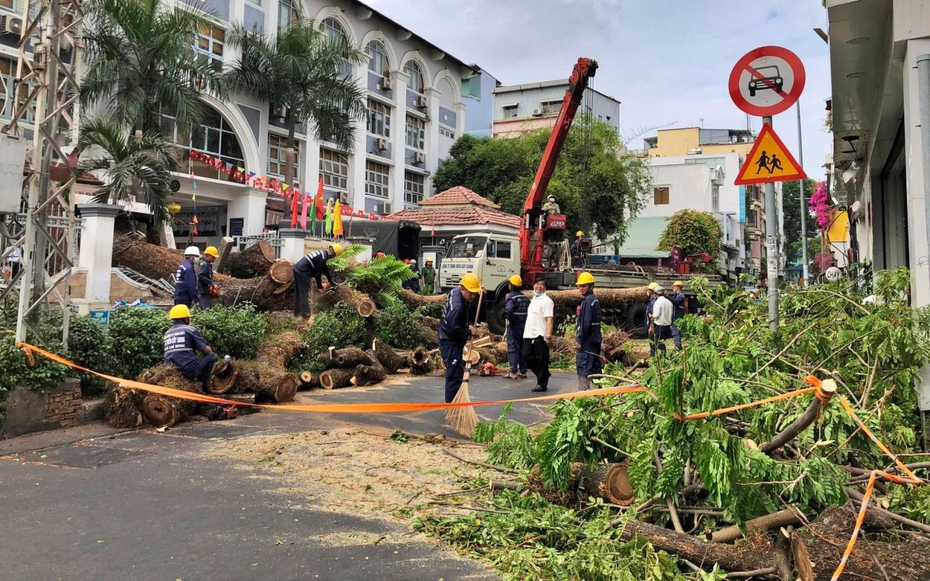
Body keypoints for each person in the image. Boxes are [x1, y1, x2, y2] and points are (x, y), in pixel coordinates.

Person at [438, 273, 481, 403]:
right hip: (449, 340)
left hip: (447, 334)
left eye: (475, 293)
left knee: (457, 372)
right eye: (470, 293)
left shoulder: (455, 292)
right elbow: (453, 330)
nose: (473, 296)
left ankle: (456, 402)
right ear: (462, 289)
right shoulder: (457, 307)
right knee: (454, 375)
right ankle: (451, 406)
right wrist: (469, 331)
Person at [163, 304, 216, 392]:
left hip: (170, 372)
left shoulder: (167, 333)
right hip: (188, 371)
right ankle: (203, 385)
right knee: (211, 356)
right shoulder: (189, 330)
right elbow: (206, 350)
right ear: (185, 318)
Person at [293, 244, 343, 318]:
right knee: (304, 292)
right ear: (334, 254)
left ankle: (297, 312)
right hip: (303, 271)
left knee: (298, 291)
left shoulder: (323, 254)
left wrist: (332, 283)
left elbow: (325, 270)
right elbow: (317, 273)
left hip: (297, 268)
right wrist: (320, 286)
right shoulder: (323, 258)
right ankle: (305, 314)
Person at [523, 278, 554, 392]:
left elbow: (549, 319)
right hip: (528, 334)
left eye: (542, 285)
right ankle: (544, 374)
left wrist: (548, 336)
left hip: (540, 336)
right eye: (537, 284)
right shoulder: (534, 299)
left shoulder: (546, 301)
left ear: (545, 288)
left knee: (542, 360)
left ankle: (542, 383)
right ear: (533, 285)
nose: (539, 286)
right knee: (526, 357)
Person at [575, 272, 602, 390]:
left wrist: (579, 339)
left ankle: (584, 394)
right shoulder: (594, 300)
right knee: (595, 368)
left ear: (591, 286)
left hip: (587, 341)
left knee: (584, 367)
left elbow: (585, 324)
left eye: (584, 286)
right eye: (580, 286)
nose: (581, 288)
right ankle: (600, 393)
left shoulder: (587, 301)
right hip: (595, 339)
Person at [503, 274, 529, 380]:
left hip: (515, 327)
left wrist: (510, 320)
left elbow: (509, 310)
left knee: (513, 348)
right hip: (525, 327)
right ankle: (523, 371)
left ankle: (513, 371)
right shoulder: (525, 297)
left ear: (511, 286)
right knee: (523, 348)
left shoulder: (511, 297)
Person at [650, 286, 673, 357]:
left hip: (660, 326)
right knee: (661, 342)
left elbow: (656, 315)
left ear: (656, 293)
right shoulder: (669, 302)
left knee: (659, 343)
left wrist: (651, 315)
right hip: (668, 326)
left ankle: (661, 358)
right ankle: (662, 357)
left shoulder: (658, 302)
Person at [197, 246, 219, 310]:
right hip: (203, 292)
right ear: (208, 255)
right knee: (206, 309)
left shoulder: (209, 265)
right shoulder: (204, 265)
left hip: (207, 291)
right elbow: (200, 275)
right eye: (213, 256)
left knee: (209, 308)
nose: (214, 258)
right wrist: (210, 283)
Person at [668, 280, 686, 351]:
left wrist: (667, 296)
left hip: (678, 318)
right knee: (675, 332)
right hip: (676, 317)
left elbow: (675, 302)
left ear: (677, 288)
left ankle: (678, 348)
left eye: (674, 287)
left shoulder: (680, 296)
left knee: (676, 333)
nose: (673, 288)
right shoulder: (676, 296)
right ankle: (678, 347)